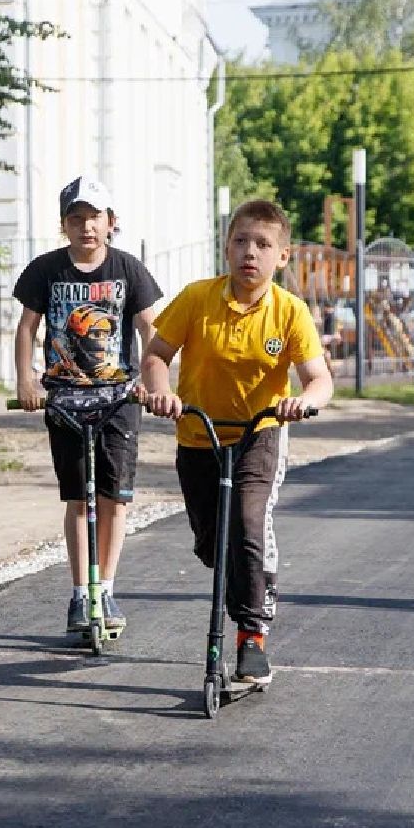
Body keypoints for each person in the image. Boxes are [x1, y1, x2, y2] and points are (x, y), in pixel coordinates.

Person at [139, 199, 334, 684]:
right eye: (241, 241)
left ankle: (251, 637)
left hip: (259, 435)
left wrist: (303, 402)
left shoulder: (290, 312)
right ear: (227, 247)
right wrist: (160, 390)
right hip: (198, 433)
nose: (251, 252)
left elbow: (319, 379)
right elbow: (157, 354)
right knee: (213, 543)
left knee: (247, 525)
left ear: (282, 257)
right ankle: (243, 579)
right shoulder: (197, 297)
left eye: (263, 244)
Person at [13, 175, 161, 639]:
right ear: (64, 226)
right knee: (79, 498)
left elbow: (149, 332)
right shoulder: (46, 270)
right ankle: (81, 592)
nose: (86, 228)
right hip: (65, 401)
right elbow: (27, 327)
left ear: (111, 222)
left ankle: (107, 588)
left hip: (118, 400)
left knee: (114, 497)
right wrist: (26, 379)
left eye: (94, 218)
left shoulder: (128, 270)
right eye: (76, 219)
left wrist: (155, 384)